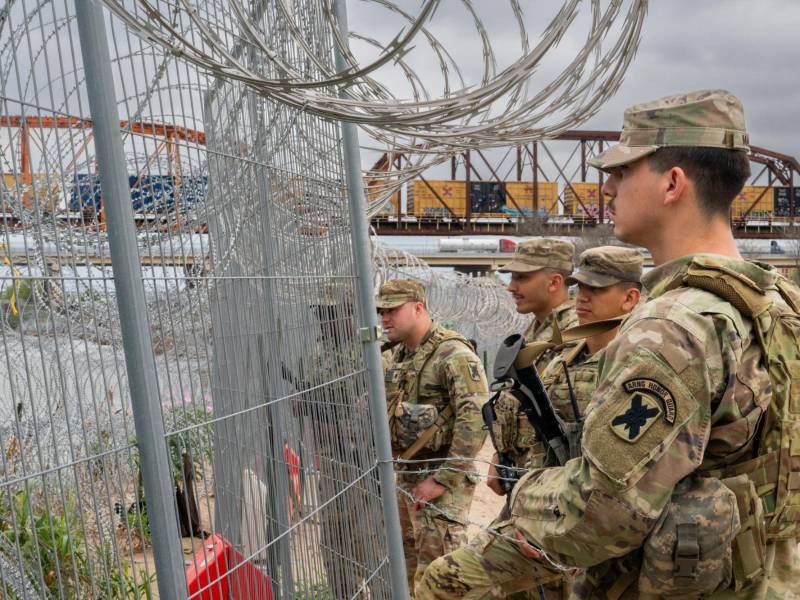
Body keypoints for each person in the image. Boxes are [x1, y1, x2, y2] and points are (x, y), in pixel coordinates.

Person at [419, 89, 800, 600]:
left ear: (672, 183)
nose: (608, 186)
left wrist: (457, 569)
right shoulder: (779, 303)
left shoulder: (675, 325)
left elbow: (601, 512)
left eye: (623, 172)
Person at [429, 246, 643, 599]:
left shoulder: (626, 356)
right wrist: (506, 458)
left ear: (629, 298)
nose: (583, 298)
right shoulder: (564, 345)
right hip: (536, 497)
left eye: (596, 290)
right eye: (582, 288)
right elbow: (537, 420)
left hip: (572, 512)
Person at [377, 279, 489, 596]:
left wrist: (444, 478)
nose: (385, 318)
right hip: (407, 475)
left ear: (417, 307)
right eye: (381, 311)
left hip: (439, 481)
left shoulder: (451, 353)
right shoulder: (398, 355)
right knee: (410, 574)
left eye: (392, 309)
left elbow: (475, 416)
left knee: (441, 576)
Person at [292, 290, 382, 598]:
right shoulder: (318, 351)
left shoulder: (367, 350)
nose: (324, 320)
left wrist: (346, 426)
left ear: (348, 312)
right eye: (320, 313)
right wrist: (304, 403)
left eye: (332, 313)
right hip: (330, 460)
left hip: (363, 460)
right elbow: (313, 396)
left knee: (367, 542)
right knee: (333, 541)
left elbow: (380, 406)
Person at [486, 239, 578, 499]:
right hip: (528, 479)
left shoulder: (575, 336)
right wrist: (502, 455)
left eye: (522, 278)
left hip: (553, 487)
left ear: (554, 283)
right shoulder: (537, 331)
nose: (511, 287)